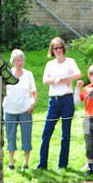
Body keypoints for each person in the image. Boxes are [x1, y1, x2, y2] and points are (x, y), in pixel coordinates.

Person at [37, 37, 81, 171]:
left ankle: (63, 165)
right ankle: (42, 164)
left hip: (67, 100)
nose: (58, 50)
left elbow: (78, 74)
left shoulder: (70, 62)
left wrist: (66, 78)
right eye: (55, 48)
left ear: (63, 48)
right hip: (54, 101)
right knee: (46, 132)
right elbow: (45, 80)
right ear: (52, 50)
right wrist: (56, 80)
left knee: (65, 134)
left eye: (60, 47)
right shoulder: (50, 64)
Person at [3, 49, 37, 171]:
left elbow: (34, 92)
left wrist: (32, 104)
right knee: (10, 137)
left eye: (21, 60)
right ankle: (11, 163)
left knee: (26, 136)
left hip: (25, 110)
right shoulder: (7, 73)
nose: (19, 62)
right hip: (10, 110)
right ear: (13, 61)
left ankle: (26, 163)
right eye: (17, 60)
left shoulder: (28, 74)